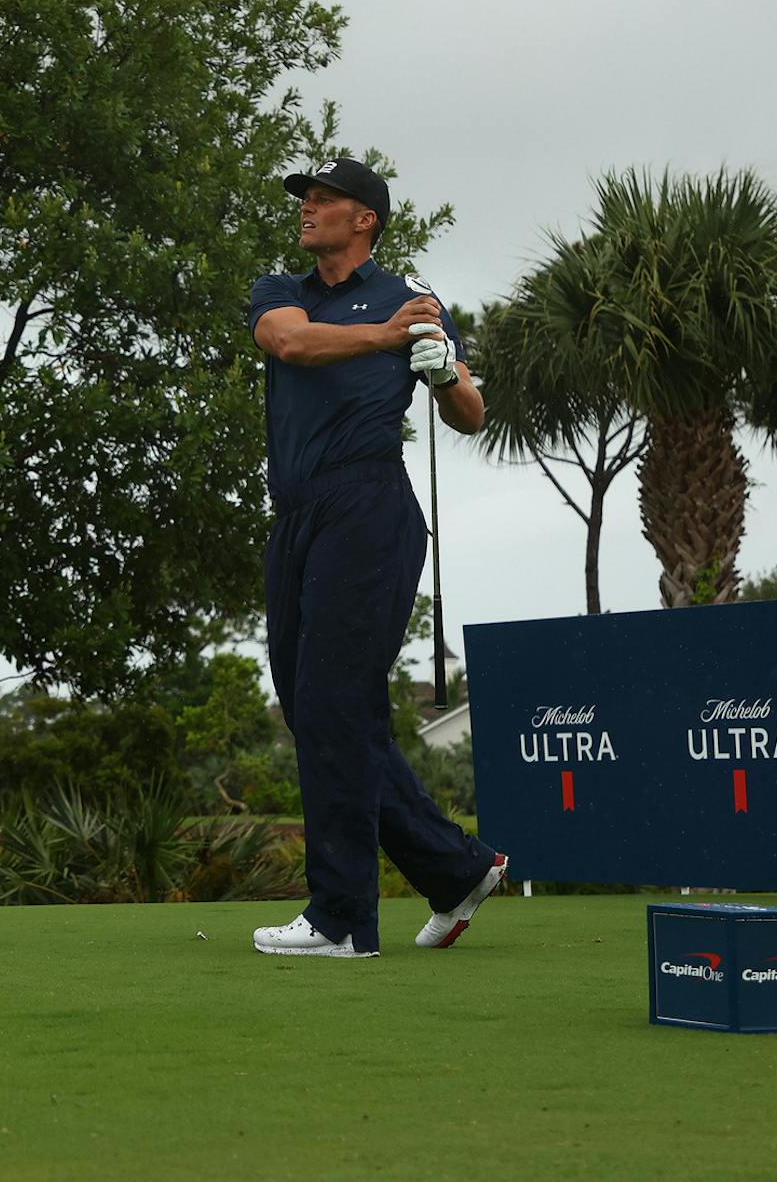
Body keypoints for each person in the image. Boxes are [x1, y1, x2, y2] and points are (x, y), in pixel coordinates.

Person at [245, 157, 506, 959]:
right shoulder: (281, 293)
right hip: (297, 516)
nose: (308, 209)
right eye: (306, 199)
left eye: (324, 200)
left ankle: (342, 919)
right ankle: (455, 866)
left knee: (332, 701)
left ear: (366, 218)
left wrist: (441, 372)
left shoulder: (412, 300)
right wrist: (388, 338)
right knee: (322, 707)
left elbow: (470, 410)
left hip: (367, 507)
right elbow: (288, 345)